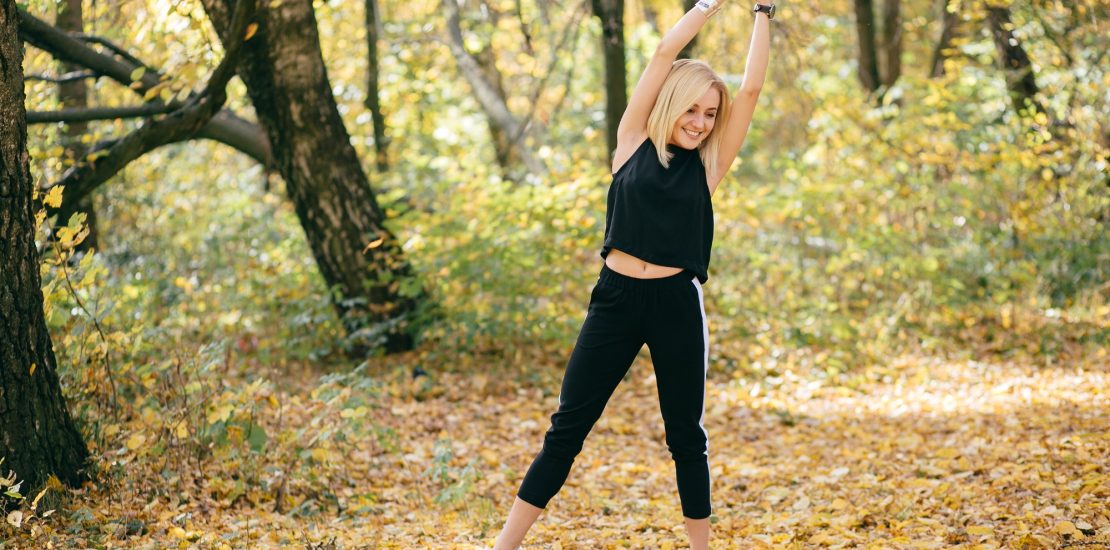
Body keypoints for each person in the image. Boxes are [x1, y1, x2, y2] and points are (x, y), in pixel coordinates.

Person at [492, 1, 771, 548]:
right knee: (566, 430)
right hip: (615, 300)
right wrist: (709, 5)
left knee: (686, 437)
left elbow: (753, 91)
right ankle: (503, 546)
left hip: (675, 305)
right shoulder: (631, 143)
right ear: (670, 104)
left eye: (710, 114)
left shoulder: (709, 166)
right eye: (692, 110)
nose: (700, 122)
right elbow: (666, 52)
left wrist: (762, 9)